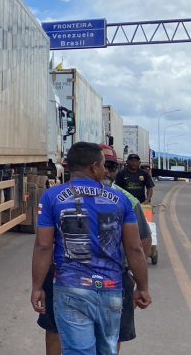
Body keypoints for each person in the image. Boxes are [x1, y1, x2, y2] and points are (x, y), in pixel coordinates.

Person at [31, 142, 151, 355]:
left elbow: (43, 246)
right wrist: (142, 287)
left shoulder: (51, 197)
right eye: (104, 166)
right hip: (111, 288)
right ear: (94, 166)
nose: (106, 171)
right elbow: (134, 248)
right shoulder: (122, 200)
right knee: (108, 350)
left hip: (70, 288)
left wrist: (37, 286)